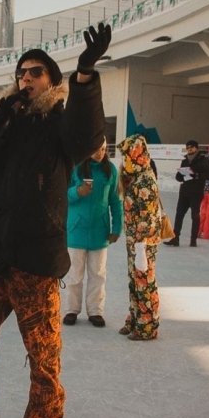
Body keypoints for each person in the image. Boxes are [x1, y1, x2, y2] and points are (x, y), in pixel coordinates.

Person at [0, 23, 108, 418]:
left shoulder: (60, 126)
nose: (27, 77)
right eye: (22, 71)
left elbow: (88, 136)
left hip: (36, 260)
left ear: (51, 82)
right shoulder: (6, 123)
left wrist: (85, 76)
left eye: (37, 71)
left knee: (44, 356)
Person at [62, 139, 122, 328]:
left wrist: (116, 228)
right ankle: (72, 309)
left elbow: (115, 200)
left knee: (98, 274)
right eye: (97, 149)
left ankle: (95, 311)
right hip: (76, 231)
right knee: (74, 275)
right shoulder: (75, 168)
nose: (100, 153)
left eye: (104, 149)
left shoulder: (110, 170)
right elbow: (61, 195)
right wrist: (77, 191)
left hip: (100, 232)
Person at [116, 134, 162, 341]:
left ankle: (147, 327)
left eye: (127, 155)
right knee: (135, 282)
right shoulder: (135, 175)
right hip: (134, 241)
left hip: (143, 242)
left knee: (144, 283)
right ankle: (135, 319)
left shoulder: (145, 180)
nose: (124, 160)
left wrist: (142, 246)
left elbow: (149, 217)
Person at [165, 139, 209, 247]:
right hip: (185, 191)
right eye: (187, 147)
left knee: (195, 215)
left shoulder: (203, 160)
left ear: (196, 148)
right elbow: (178, 177)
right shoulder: (185, 160)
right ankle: (175, 238)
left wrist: (196, 175)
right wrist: (181, 174)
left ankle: (193, 239)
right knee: (179, 214)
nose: (189, 149)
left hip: (196, 191)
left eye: (191, 147)